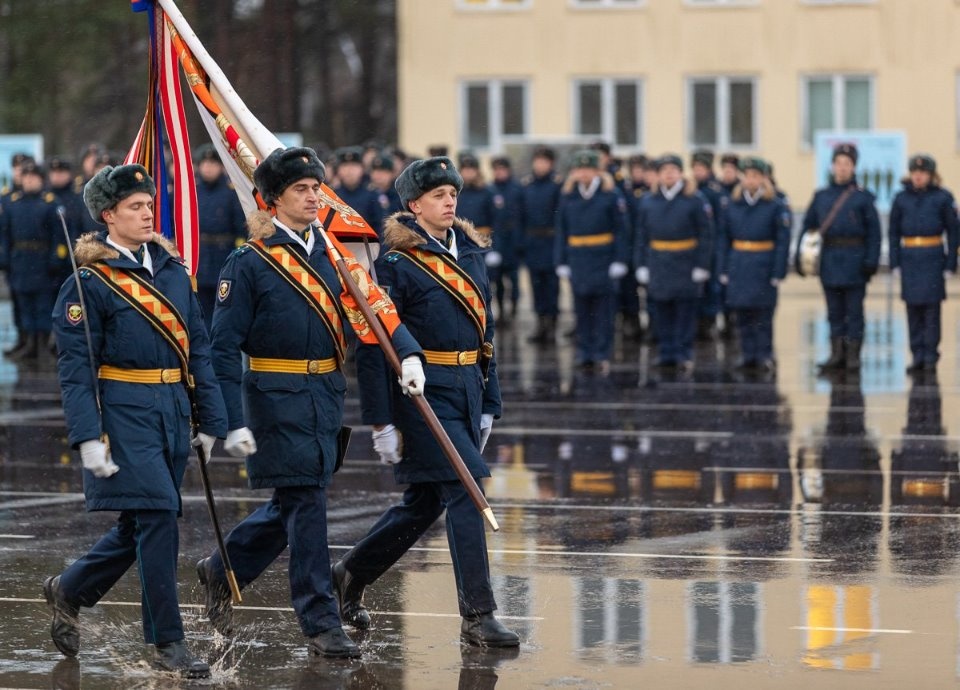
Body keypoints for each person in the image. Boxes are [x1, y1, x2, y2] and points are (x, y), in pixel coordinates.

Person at [195, 146, 424, 659]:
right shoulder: (248, 262)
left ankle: (222, 567)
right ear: (273, 200)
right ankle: (319, 619)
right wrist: (227, 419)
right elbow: (223, 347)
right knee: (306, 505)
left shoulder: (333, 255)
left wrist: (407, 353)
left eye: (316, 187)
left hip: (323, 394)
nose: (314, 195)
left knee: (294, 502)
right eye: (302, 189)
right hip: (274, 398)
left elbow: (377, 313)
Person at [44, 164, 227, 677]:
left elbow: (200, 348)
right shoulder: (89, 284)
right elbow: (76, 369)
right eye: (135, 207)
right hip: (123, 413)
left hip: (171, 409)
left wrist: (210, 418)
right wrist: (86, 437)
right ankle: (168, 642)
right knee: (159, 519)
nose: (148, 213)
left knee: (142, 522)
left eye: (149, 204)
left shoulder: (171, 269)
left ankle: (70, 588)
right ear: (108, 216)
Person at [332, 156, 519, 648]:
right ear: (414, 206)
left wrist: (488, 401)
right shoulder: (397, 264)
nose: (449, 200)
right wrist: (380, 420)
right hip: (421, 395)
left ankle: (351, 571)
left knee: (424, 502)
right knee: (466, 487)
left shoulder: (472, 253)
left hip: (466, 387)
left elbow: (487, 333)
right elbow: (377, 342)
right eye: (438, 195)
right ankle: (478, 615)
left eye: (452, 192)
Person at [797, 143, 881, 373]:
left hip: (855, 260)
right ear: (832, 166)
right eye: (838, 163)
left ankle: (853, 356)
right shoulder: (822, 196)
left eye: (847, 164)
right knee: (834, 311)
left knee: (854, 311)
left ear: (854, 167)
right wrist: (801, 256)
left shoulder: (863, 198)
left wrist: (871, 260)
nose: (842, 168)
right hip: (830, 260)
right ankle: (836, 354)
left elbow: (874, 232)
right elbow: (808, 226)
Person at [634, 154, 714, 373]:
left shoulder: (695, 200)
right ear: (658, 175)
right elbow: (642, 235)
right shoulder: (648, 201)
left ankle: (683, 353)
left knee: (684, 310)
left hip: (685, 261)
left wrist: (702, 265)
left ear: (680, 173)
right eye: (664, 170)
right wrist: (641, 264)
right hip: (659, 261)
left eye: (673, 169)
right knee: (661, 309)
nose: (669, 174)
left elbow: (706, 235)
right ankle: (666, 352)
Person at [556, 149, 630, 373]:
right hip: (578, 258)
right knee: (581, 308)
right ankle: (584, 352)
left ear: (598, 171)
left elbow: (622, 230)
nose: (583, 174)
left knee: (603, 310)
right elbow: (561, 230)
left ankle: (601, 353)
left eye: (588, 169)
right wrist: (561, 260)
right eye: (579, 169)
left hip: (603, 257)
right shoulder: (568, 195)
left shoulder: (611, 195)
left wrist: (620, 260)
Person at [717, 157, 791, 372]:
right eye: (747, 176)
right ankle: (747, 353)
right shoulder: (732, 204)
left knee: (763, 313)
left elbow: (782, 240)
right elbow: (723, 238)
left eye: (755, 176)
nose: (750, 180)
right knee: (742, 313)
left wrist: (779, 270)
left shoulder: (774, 205)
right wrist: (723, 268)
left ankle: (764, 354)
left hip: (763, 262)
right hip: (739, 262)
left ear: (763, 178)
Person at [888, 154, 960, 374]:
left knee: (931, 310)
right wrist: (895, 262)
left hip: (932, 256)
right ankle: (917, 354)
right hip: (910, 257)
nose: (918, 176)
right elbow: (893, 232)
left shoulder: (943, 197)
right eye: (915, 172)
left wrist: (950, 263)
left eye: (923, 173)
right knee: (912, 309)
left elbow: (953, 232)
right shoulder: (901, 199)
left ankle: (930, 355)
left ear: (931, 175)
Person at [0, 160, 61, 361]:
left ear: (41, 180)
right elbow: (6, 235)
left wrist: (56, 258)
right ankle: (29, 343)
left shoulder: (50, 203)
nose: (29, 181)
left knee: (43, 304)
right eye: (25, 177)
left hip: (41, 261)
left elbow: (57, 236)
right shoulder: (13, 203)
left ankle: (43, 344)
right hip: (20, 261)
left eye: (33, 177)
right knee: (24, 304)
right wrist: (5, 258)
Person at [194, 144, 247, 328]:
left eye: (213, 163)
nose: (208, 167)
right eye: (205, 163)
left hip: (223, 256)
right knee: (200, 313)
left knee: (223, 312)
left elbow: (241, 229)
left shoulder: (231, 193)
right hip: (199, 258)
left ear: (221, 167)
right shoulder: (194, 190)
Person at [520, 145, 563, 344]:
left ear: (551, 163)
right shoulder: (527, 185)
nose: (540, 165)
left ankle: (552, 324)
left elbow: (562, 216)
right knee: (536, 284)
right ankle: (540, 322)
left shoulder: (558, 185)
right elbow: (520, 215)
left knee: (552, 285)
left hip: (551, 240)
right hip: (532, 242)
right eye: (537, 161)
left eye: (544, 161)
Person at [691, 150, 726, 341]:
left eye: (700, 168)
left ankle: (709, 322)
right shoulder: (693, 190)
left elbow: (720, 224)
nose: (697, 172)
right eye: (695, 168)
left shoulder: (714, 191)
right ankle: (698, 322)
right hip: (696, 246)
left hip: (712, 245)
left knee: (712, 287)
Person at [489, 155, 522, 324]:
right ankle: (501, 311)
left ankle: (514, 309)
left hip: (513, 239)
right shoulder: (491, 189)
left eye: (502, 169)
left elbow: (522, 215)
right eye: (496, 169)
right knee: (498, 279)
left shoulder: (517, 188)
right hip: (497, 239)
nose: (499, 172)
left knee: (514, 278)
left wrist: (520, 241)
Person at [332, 146, 384, 237]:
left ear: (362, 169)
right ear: (338, 170)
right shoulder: (332, 195)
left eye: (354, 166)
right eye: (345, 166)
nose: (349, 171)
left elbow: (381, 227)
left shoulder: (372, 194)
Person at [369, 151, 404, 218]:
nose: (378, 176)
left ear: (392, 174)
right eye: (375, 172)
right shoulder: (367, 193)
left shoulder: (399, 194)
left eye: (383, 172)